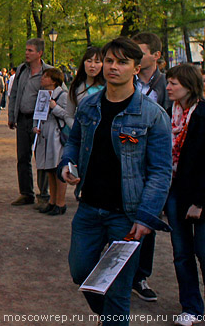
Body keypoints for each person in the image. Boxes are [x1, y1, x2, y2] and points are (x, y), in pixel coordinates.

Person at [59, 37, 172, 326]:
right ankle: (109, 315)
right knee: (80, 271)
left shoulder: (152, 115)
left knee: (119, 293)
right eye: (109, 60)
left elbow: (161, 171)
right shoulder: (89, 106)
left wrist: (147, 216)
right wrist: (66, 165)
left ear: (136, 68)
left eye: (122, 62)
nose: (112, 67)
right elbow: (73, 141)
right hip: (89, 208)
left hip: (127, 215)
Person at [162, 64, 205, 326]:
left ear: (189, 86)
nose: (168, 87)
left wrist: (200, 201)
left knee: (203, 252)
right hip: (174, 190)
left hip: (199, 194)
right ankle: (191, 306)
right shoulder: (168, 114)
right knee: (181, 253)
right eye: (168, 82)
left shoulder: (203, 115)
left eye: (174, 83)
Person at [130, 31, 170, 302]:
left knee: (146, 218)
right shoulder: (125, 80)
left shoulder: (166, 86)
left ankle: (140, 276)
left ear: (155, 56)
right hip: (126, 157)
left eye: (140, 51)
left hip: (152, 162)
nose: (135, 56)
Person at [8, 38, 54, 206]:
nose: (27, 53)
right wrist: (12, 116)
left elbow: (58, 94)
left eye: (30, 51)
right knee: (22, 157)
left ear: (39, 53)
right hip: (22, 119)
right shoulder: (21, 70)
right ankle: (26, 193)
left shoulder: (49, 72)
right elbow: (14, 94)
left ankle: (44, 195)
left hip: (41, 122)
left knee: (41, 158)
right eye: (26, 50)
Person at [32, 68, 69, 215]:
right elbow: (38, 112)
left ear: (53, 80)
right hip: (44, 135)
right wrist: (35, 126)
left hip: (56, 135)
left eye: (46, 76)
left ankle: (61, 202)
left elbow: (67, 115)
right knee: (49, 170)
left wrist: (54, 107)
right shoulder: (43, 94)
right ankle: (52, 201)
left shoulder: (63, 95)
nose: (42, 78)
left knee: (58, 170)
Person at [66, 46, 106, 127]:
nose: (92, 65)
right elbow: (68, 116)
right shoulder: (76, 87)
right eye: (89, 61)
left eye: (97, 62)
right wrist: (79, 131)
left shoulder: (109, 87)